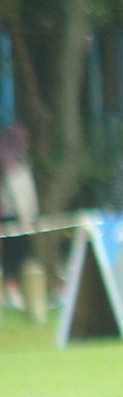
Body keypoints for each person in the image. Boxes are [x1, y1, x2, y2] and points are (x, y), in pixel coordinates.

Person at [1, 123, 37, 309]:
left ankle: (16, 293)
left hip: (18, 218)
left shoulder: (19, 162)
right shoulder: (12, 166)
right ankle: (13, 293)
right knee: (15, 257)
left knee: (16, 257)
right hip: (15, 219)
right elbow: (17, 196)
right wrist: (26, 220)